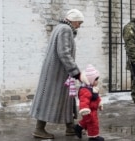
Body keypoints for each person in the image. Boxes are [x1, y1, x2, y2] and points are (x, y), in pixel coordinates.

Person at [29, 9, 90, 139]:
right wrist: (76, 72)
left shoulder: (59, 28)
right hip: (57, 73)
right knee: (49, 99)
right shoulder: (65, 29)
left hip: (58, 71)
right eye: (79, 22)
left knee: (68, 98)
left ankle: (70, 127)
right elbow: (64, 53)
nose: (79, 25)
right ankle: (39, 129)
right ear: (73, 20)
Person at [74, 64, 104, 141]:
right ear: (90, 80)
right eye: (95, 79)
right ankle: (93, 137)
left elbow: (96, 97)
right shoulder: (85, 90)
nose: (97, 81)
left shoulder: (92, 88)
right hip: (88, 111)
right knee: (92, 123)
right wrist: (85, 110)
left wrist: (99, 103)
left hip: (93, 109)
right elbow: (84, 101)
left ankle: (78, 127)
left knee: (87, 121)